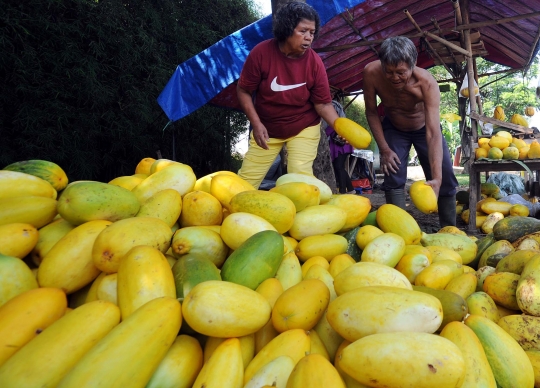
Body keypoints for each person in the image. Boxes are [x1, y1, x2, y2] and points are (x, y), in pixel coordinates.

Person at [236, 1, 340, 189]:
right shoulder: (261, 53)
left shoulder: (315, 63)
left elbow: (323, 105)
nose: (309, 37)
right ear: (287, 29)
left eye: (312, 32)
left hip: (304, 126)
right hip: (268, 128)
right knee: (243, 184)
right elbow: (243, 90)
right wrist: (257, 124)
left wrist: (340, 127)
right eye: (303, 31)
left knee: (299, 184)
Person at [363, 36, 458, 227]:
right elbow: (372, 112)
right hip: (394, 128)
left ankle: (449, 229)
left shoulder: (426, 83)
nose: (395, 77)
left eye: (401, 72)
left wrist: (437, 179)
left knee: (445, 175)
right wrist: (384, 149)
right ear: (382, 65)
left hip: (424, 129)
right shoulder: (371, 73)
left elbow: (432, 132)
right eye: (389, 72)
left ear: (413, 65)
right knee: (393, 173)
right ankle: (398, 228)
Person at [323, 100, 356, 194]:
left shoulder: (334, 123)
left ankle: (343, 191)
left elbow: (326, 133)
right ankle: (350, 189)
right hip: (342, 147)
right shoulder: (339, 122)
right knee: (340, 167)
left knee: (339, 167)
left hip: (341, 147)